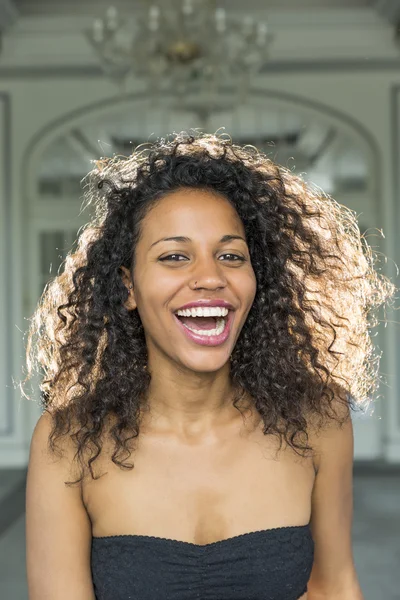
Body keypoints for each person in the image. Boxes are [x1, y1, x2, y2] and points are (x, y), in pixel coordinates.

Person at [23, 130, 394, 600]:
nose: (209, 277)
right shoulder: (69, 442)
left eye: (230, 255)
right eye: (174, 256)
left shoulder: (319, 419)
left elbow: (333, 586)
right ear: (128, 287)